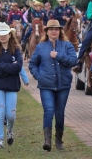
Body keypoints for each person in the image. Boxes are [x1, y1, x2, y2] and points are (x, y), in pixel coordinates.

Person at [28, 20, 78, 151]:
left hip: (63, 84)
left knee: (60, 113)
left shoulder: (67, 45)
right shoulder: (41, 47)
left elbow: (73, 61)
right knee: (49, 111)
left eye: (56, 29)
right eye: (51, 29)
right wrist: (39, 77)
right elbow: (33, 64)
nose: (54, 31)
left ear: (60, 30)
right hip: (46, 85)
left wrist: (59, 56)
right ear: (47, 31)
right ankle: (47, 141)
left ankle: (58, 140)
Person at [0, 22, 25, 149]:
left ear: (10, 35)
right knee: (0, 111)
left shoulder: (16, 50)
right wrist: (10, 67)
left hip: (12, 85)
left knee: (11, 114)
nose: (2, 36)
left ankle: (9, 130)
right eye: (0, 34)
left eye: (5, 34)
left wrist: (2, 66)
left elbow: (18, 67)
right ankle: (0, 139)